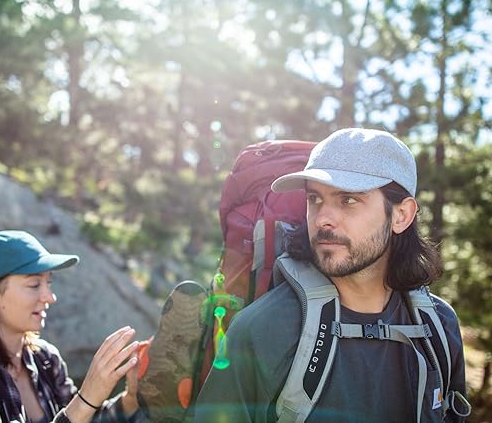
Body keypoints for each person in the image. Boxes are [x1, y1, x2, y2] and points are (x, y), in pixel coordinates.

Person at [193, 128, 469, 422]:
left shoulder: (438, 326)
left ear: (401, 215)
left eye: (348, 200)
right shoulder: (263, 330)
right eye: (315, 199)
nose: (322, 218)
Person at [0, 230, 142, 423]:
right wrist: (86, 399)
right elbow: (78, 413)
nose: (50, 297)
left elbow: (83, 418)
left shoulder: (46, 358)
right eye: (34, 284)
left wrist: (130, 399)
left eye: (49, 282)